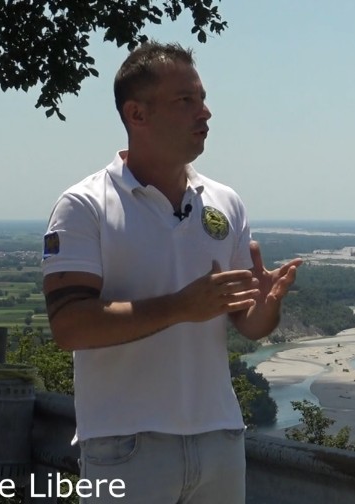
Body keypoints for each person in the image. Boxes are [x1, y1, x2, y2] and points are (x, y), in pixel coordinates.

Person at [41, 41, 302, 503]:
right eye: (187, 101)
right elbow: (70, 326)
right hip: (125, 444)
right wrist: (181, 307)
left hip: (219, 437)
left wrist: (266, 308)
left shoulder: (226, 202)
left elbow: (249, 325)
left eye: (201, 98)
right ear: (137, 115)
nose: (205, 113)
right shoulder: (84, 206)